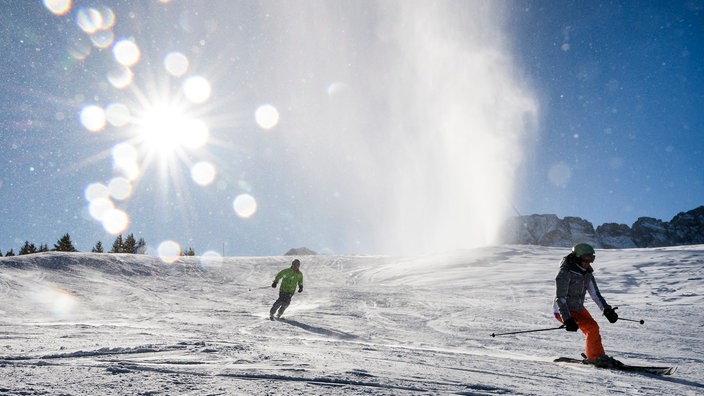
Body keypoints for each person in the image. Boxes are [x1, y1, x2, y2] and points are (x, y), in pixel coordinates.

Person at [553, 243, 621, 367]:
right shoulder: (565, 273)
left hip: (578, 308)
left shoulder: (587, 273)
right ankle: (595, 357)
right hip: (563, 310)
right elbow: (560, 298)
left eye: (592, 258)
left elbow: (595, 295)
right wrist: (567, 319)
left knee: (594, 328)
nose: (589, 262)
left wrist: (607, 310)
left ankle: (597, 355)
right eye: (586, 258)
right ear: (577, 258)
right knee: (592, 327)